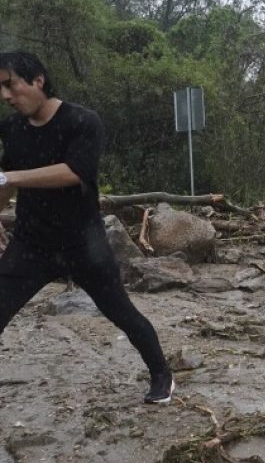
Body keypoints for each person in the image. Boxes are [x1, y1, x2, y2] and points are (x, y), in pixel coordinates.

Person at [0, 51, 175, 404]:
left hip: (84, 245)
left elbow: (74, 171)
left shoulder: (82, 121)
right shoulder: (12, 129)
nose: (6, 96)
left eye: (10, 85)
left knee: (122, 313)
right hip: (31, 245)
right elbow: (5, 186)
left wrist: (9, 176)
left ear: (38, 80)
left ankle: (162, 375)